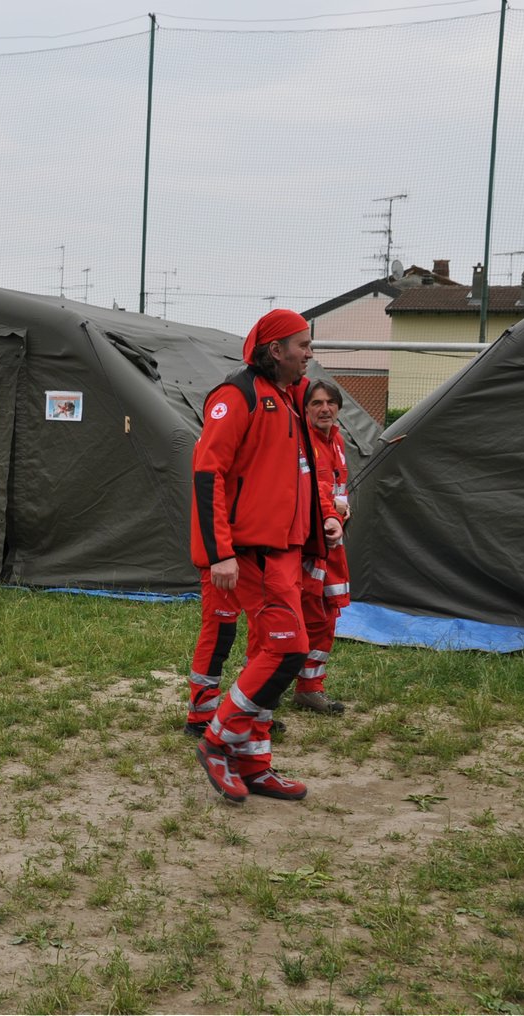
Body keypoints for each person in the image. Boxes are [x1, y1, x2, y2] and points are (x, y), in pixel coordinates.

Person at [189, 309, 340, 803]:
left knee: (271, 654)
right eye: (303, 345)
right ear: (275, 351)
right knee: (286, 651)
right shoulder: (238, 396)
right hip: (247, 553)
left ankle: (254, 763)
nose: (310, 354)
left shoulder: (288, 397)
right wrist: (220, 555)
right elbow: (207, 474)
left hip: (284, 553)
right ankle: (218, 740)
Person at [294, 380, 353, 715]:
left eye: (331, 402)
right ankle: (262, 690)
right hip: (305, 546)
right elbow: (314, 489)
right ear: (305, 409)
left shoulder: (339, 441)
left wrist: (342, 512)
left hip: (331, 544)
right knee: (295, 618)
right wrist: (331, 515)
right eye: (317, 403)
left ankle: (310, 687)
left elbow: (336, 487)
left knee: (326, 616)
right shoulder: (302, 442)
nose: (325, 409)